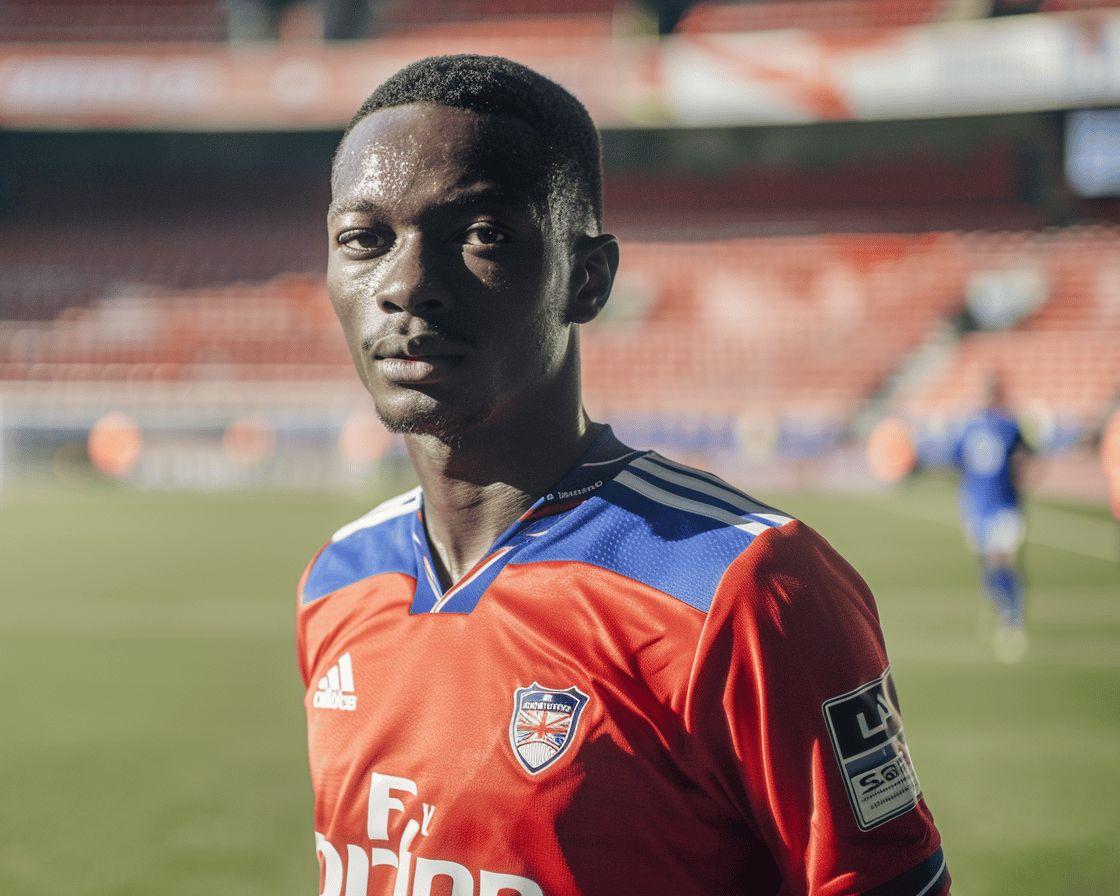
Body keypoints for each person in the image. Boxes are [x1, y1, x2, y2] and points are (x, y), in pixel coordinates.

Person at [298, 54, 948, 896]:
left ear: (589, 279)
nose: (407, 285)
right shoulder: (338, 581)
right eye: (364, 240)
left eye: (483, 233)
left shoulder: (744, 588)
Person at [950, 375, 1030, 663]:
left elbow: (1024, 457)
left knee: (1002, 560)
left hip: (1003, 507)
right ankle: (1001, 607)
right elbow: (957, 461)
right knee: (990, 562)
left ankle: (1012, 617)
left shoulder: (1006, 425)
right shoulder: (972, 426)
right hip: (980, 507)